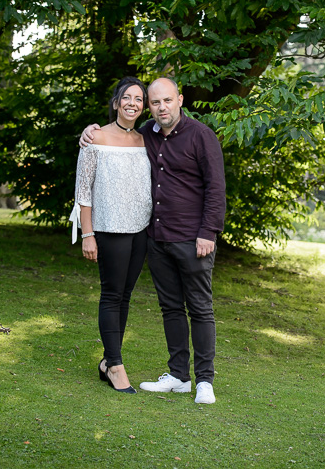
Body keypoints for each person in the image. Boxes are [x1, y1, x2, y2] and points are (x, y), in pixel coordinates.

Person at [80, 77, 226, 404]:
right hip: (157, 238)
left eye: (167, 101)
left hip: (193, 238)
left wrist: (208, 232)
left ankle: (204, 380)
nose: (161, 107)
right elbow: (112, 137)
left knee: (200, 308)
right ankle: (178, 375)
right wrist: (90, 131)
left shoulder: (202, 136)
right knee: (171, 307)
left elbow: (216, 189)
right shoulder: (147, 133)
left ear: (180, 100)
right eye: (155, 102)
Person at [70, 77, 153, 394]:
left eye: (139, 99)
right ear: (117, 102)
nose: (133, 103)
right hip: (108, 228)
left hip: (141, 230)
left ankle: (108, 361)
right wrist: (87, 234)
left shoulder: (148, 140)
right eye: (127, 98)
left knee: (126, 295)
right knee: (111, 294)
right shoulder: (96, 137)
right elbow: (83, 192)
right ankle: (116, 366)